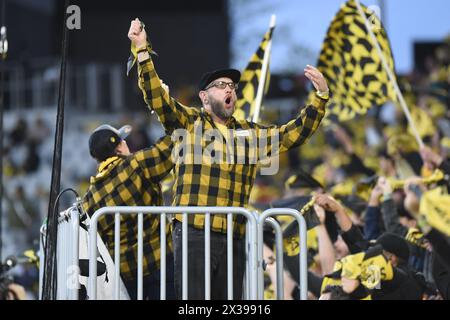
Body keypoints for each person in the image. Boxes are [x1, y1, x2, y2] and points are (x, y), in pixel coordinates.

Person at [128, 18, 329, 299]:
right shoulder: (188, 122)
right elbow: (157, 98)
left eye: (233, 86)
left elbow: (291, 135)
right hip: (194, 232)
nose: (230, 90)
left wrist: (320, 98)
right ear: (204, 96)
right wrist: (142, 50)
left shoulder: (249, 133)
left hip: (233, 234)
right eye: (221, 85)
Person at [82, 124, 175, 300]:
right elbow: (171, 146)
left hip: (126, 275)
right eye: (123, 141)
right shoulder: (137, 164)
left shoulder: (90, 198)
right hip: (161, 262)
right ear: (119, 147)